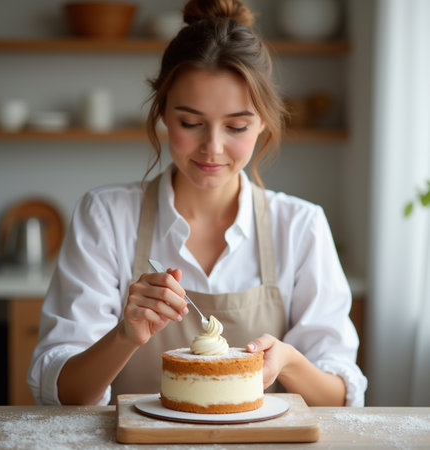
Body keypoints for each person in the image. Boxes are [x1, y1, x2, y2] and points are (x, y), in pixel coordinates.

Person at [28, 0, 367, 407]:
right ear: (164, 113)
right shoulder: (106, 216)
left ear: (263, 123)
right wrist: (124, 335)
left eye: (237, 126)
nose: (213, 148)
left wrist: (291, 362)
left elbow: (340, 399)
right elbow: (62, 393)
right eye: (190, 123)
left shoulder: (300, 225)